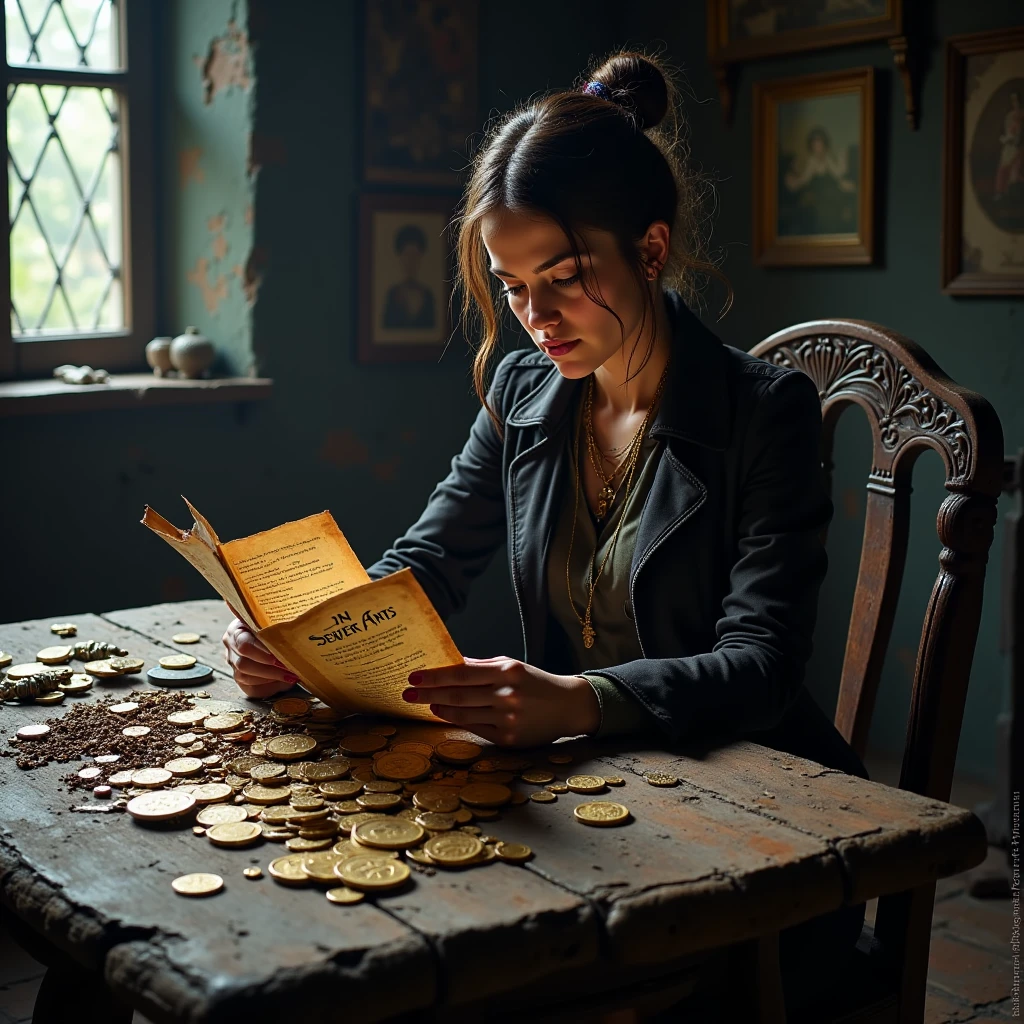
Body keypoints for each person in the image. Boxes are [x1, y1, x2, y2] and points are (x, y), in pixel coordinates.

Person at [222, 50, 866, 1015]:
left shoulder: (762, 411)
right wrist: (304, 641)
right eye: (511, 286)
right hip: (599, 801)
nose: (534, 318)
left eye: (562, 278)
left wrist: (578, 700)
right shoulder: (525, 393)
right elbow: (428, 563)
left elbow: (763, 663)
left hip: (760, 823)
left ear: (650, 251)